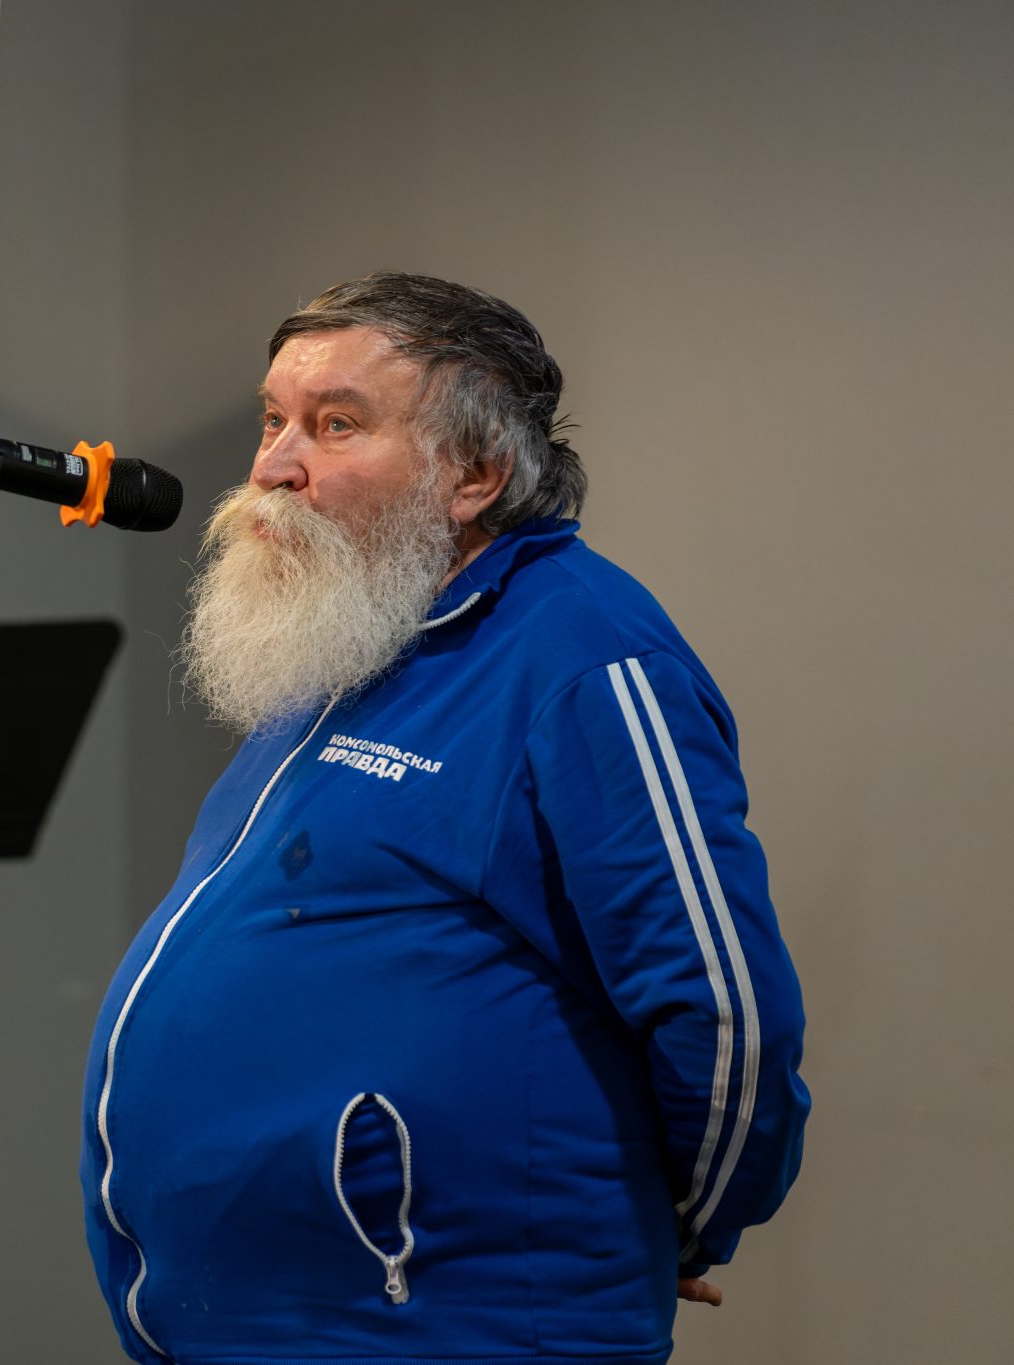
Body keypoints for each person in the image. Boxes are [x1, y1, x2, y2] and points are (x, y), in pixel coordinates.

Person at [80, 272, 810, 1364]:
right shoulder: (349, 641)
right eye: (273, 420)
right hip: (265, 1323)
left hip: (446, 1322)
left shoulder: (585, 657)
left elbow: (724, 1010)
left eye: (335, 425)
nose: (275, 465)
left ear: (475, 474)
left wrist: (680, 1224)